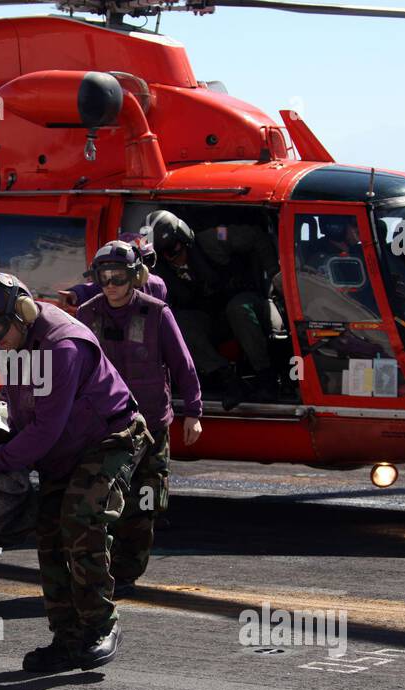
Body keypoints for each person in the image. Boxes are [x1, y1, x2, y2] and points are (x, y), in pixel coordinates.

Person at [0, 274, 151, 673]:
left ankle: (101, 625)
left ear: (22, 313)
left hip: (109, 438)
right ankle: (67, 638)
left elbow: (45, 430)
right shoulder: (11, 345)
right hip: (64, 447)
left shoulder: (62, 346)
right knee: (49, 533)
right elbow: (21, 413)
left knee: (81, 519)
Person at [74, 241, 203, 597]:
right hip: (105, 427)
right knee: (99, 502)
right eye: (104, 277)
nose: (111, 284)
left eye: (119, 277)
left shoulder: (157, 314)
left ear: (135, 277)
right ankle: (102, 568)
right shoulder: (88, 314)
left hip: (151, 428)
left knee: (144, 503)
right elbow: (70, 368)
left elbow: (183, 364)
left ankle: (128, 572)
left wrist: (193, 411)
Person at [145, 210, 275, 410]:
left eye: (173, 249)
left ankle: (266, 377)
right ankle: (228, 379)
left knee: (238, 309)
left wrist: (276, 275)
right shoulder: (161, 272)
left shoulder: (215, 237)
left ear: (184, 238)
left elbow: (256, 236)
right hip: (212, 318)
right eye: (163, 254)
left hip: (247, 304)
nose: (170, 257)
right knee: (177, 322)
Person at [59, 232, 167, 308]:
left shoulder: (158, 286)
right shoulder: (111, 283)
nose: (144, 268)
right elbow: (91, 289)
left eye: (148, 261)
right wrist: (75, 294)